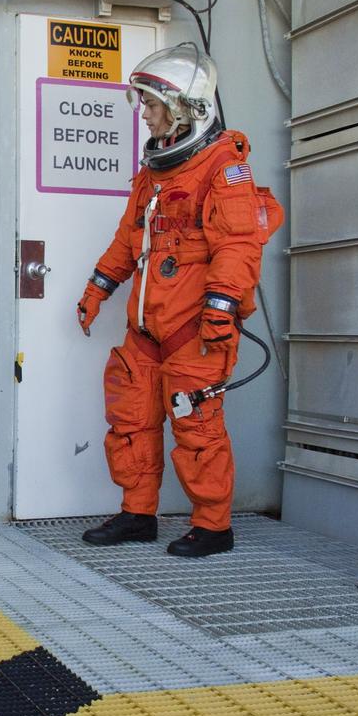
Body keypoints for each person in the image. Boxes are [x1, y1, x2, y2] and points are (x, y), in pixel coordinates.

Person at [76, 43, 275, 558]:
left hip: (194, 329)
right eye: (142, 103)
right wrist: (98, 288)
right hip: (147, 330)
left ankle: (213, 526)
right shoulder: (154, 176)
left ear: (188, 108)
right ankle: (138, 514)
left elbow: (238, 245)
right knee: (131, 420)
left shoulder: (223, 168)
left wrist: (223, 307)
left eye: (153, 104)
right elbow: (129, 238)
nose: (145, 113)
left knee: (198, 430)